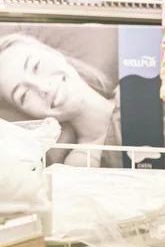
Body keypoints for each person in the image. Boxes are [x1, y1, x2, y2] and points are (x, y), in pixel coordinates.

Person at [0, 32, 120, 166]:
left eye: (36, 66)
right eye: (23, 95)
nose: (43, 87)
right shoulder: (83, 163)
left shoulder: (136, 88)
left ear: (54, 54)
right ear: (26, 113)